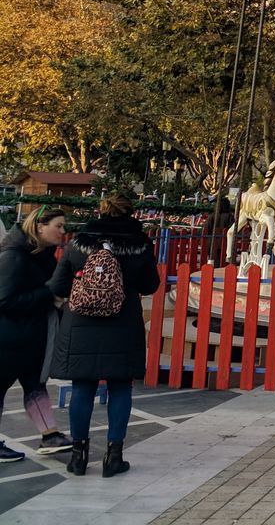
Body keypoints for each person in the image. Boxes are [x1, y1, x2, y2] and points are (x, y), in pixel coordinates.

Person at [50, 194, 160, 477]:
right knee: (121, 388)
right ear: (131, 213)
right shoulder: (141, 244)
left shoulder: (79, 242)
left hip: (81, 322)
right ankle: (114, 457)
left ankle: (78, 456)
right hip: (123, 323)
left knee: (82, 388)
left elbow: (59, 285)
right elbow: (150, 285)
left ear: (101, 211)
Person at [0, 206, 75, 462]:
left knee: (35, 385)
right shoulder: (13, 256)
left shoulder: (42, 254)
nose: (63, 232)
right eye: (59, 226)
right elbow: (5, 300)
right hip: (8, 339)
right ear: (39, 226)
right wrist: (48, 296)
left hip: (31, 336)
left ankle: (50, 435)